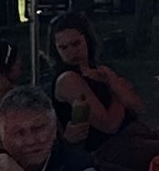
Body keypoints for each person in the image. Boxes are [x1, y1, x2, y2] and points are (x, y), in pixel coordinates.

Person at [47, 12, 138, 148]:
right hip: (111, 148)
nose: (71, 52)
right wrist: (116, 89)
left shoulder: (99, 70)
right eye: (63, 47)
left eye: (76, 44)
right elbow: (109, 125)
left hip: (133, 134)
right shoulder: (68, 80)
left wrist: (113, 83)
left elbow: (138, 106)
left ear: (87, 41)